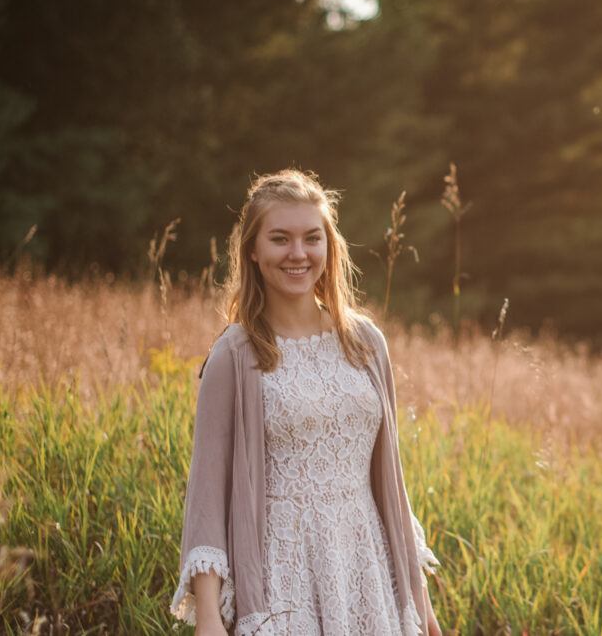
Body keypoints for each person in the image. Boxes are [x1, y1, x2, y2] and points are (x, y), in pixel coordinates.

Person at [170, 169, 442, 636]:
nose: (298, 254)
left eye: (311, 238)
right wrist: (210, 620)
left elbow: (392, 482)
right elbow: (207, 497)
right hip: (282, 577)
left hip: (365, 570)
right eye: (280, 239)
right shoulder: (234, 355)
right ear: (253, 251)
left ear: (329, 247)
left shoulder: (367, 343)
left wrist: (420, 604)